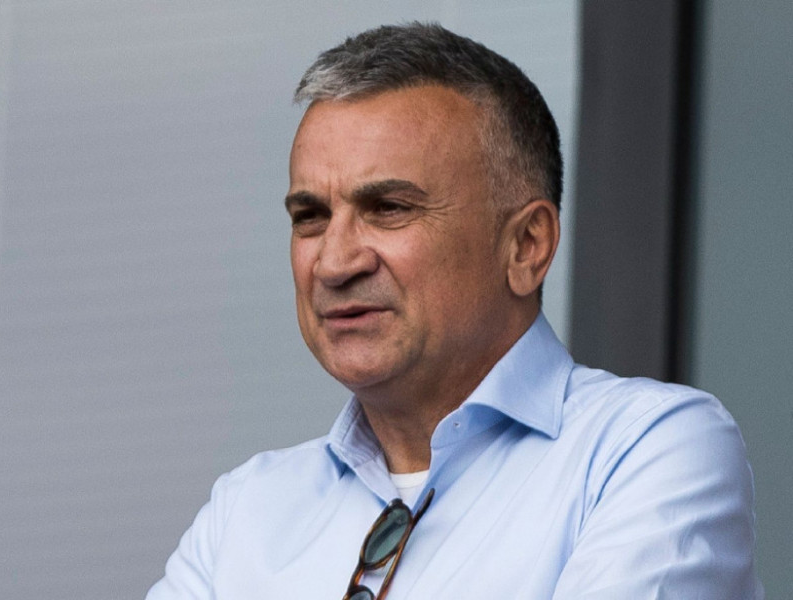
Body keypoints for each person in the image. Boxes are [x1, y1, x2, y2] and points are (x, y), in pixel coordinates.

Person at [147, 23, 761, 599]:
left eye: (389, 209)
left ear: (526, 246)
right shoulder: (245, 512)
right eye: (310, 217)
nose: (333, 263)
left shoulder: (643, 451)